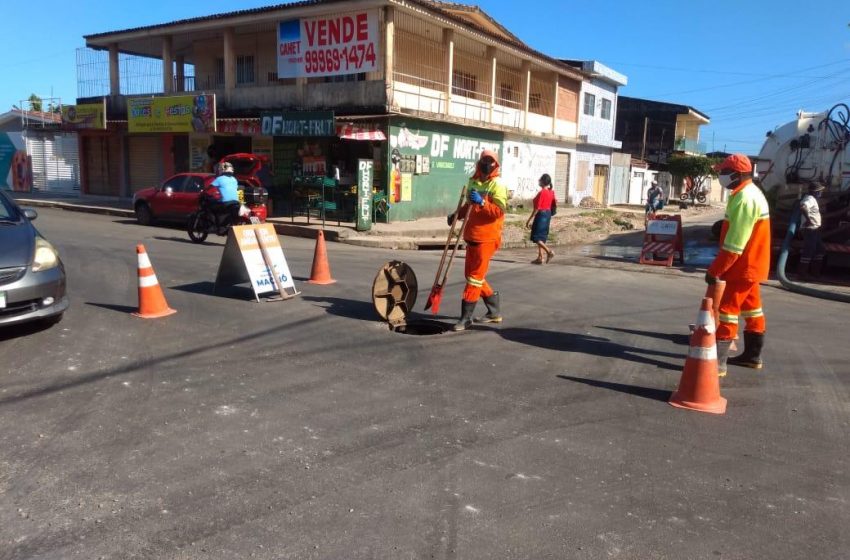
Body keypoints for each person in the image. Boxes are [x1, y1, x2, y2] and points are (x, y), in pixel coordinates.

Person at [706, 154, 771, 375]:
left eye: (724, 172)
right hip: (752, 266)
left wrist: (715, 270)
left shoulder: (745, 198)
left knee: (727, 311)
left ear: (737, 173)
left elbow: (735, 245)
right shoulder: (747, 193)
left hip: (742, 266)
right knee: (753, 309)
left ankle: (718, 365)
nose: (721, 176)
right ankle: (752, 357)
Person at [446, 149, 508, 331]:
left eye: (491, 162)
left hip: (488, 238)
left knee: (474, 278)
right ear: (479, 162)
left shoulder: (497, 185)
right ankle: (494, 310)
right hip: (472, 235)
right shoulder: (473, 181)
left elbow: (499, 212)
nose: (487, 164)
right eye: (484, 161)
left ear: (496, 165)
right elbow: (468, 206)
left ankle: (466, 318)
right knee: (473, 276)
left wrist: (482, 202)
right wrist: (457, 215)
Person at [525, 173, 556, 264]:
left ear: (543, 181)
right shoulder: (551, 192)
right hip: (548, 214)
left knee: (536, 237)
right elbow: (554, 203)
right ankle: (540, 257)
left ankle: (549, 252)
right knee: (541, 237)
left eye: (540, 179)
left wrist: (529, 220)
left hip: (541, 215)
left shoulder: (542, 192)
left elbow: (537, 208)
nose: (539, 180)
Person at [798, 182, 826, 279]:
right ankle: (802, 274)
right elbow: (803, 207)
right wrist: (809, 220)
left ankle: (815, 272)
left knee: (820, 249)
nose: (821, 193)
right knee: (809, 250)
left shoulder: (812, 199)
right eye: (820, 191)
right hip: (810, 229)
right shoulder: (809, 199)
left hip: (814, 229)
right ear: (816, 192)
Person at [210, 161, 241, 226]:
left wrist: (204, 191)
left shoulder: (219, 179)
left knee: (212, 207)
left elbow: (209, 187)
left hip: (226, 203)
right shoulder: (234, 179)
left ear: (222, 170)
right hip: (236, 202)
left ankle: (217, 225)